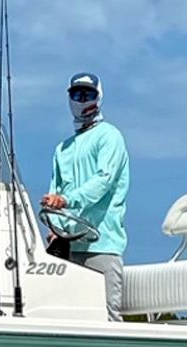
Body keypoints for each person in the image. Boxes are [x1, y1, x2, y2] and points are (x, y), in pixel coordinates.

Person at [41, 72, 130, 321]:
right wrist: (55, 225)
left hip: (102, 244)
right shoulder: (62, 148)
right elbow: (55, 191)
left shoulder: (109, 136)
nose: (81, 99)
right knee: (68, 317)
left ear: (98, 97)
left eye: (87, 94)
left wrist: (67, 201)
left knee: (106, 317)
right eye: (76, 94)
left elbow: (104, 180)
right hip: (68, 247)